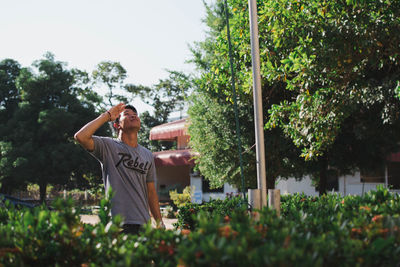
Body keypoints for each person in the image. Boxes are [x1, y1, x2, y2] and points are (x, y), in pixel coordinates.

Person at [74, 103, 165, 234]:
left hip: (144, 225)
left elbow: (151, 192)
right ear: (117, 125)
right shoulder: (107, 146)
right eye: (127, 114)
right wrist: (107, 116)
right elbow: (80, 136)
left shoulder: (148, 155)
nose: (133, 116)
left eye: (135, 115)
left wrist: (159, 223)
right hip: (118, 224)